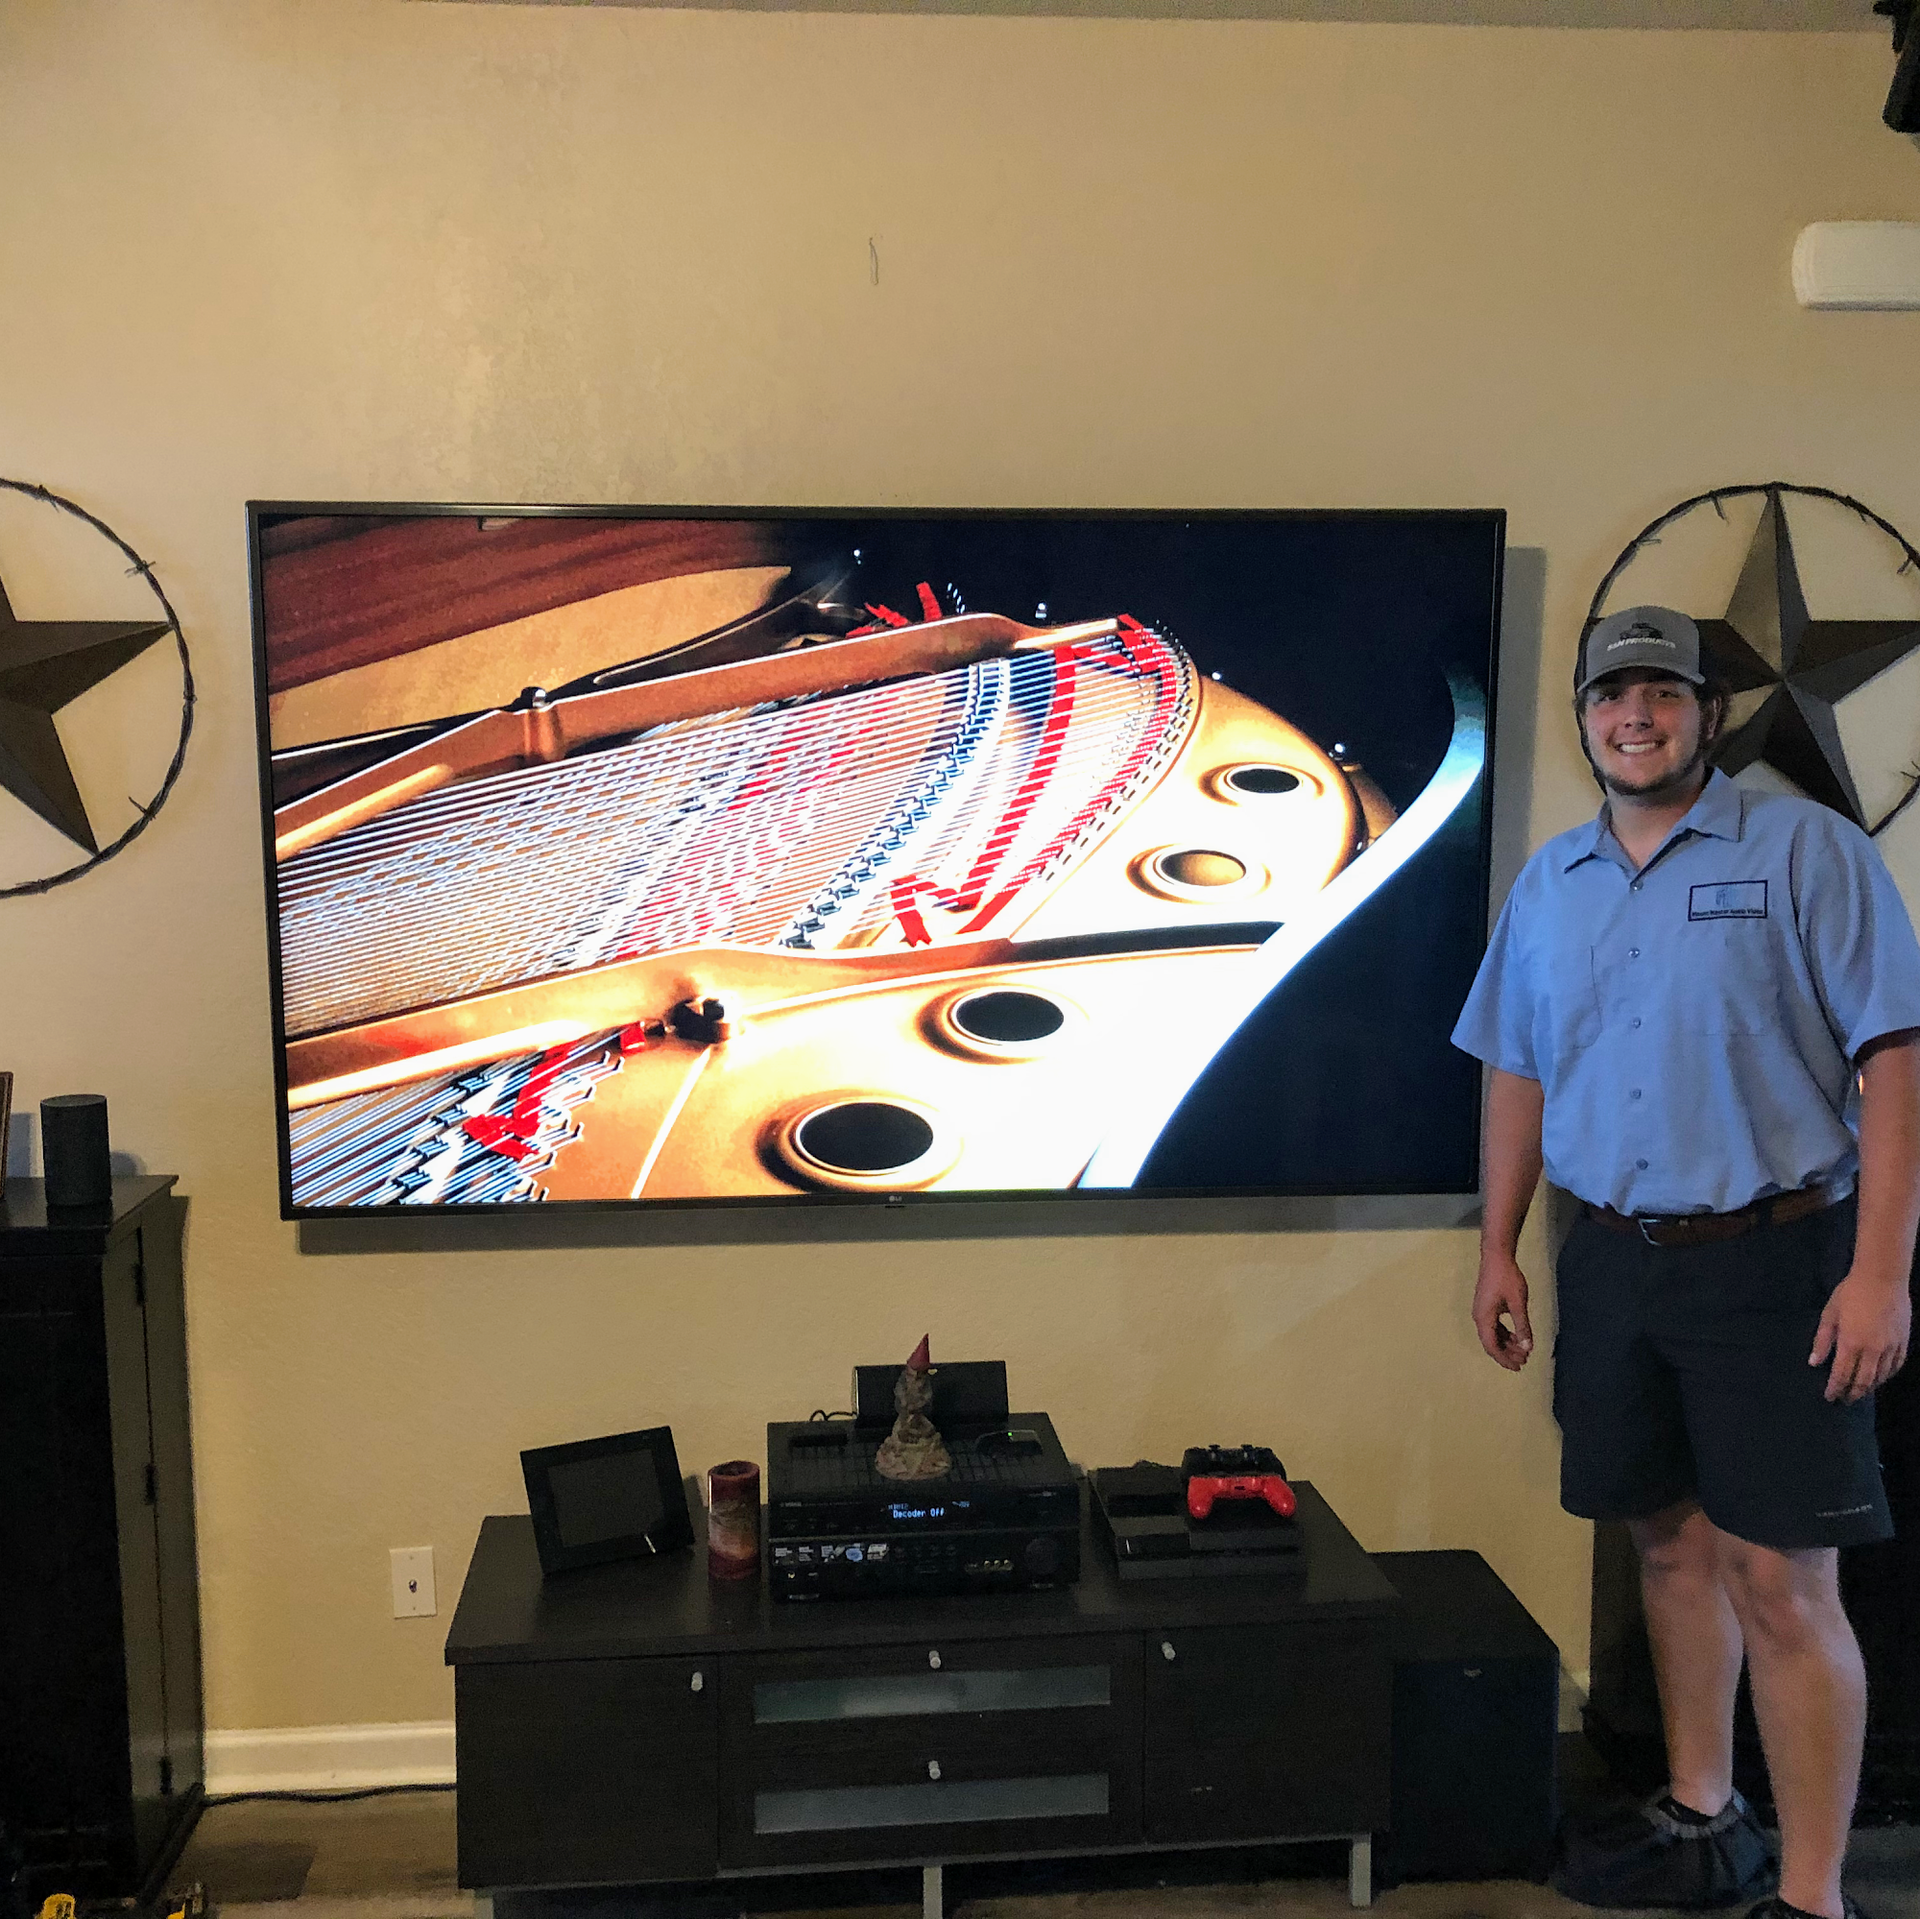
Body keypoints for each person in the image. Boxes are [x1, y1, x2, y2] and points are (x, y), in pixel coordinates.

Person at [1451, 605, 1920, 1919]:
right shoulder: (1553, 881)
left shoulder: (1808, 850)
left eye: (1662, 693)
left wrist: (1881, 1272)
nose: (1634, 716)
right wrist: (1499, 1245)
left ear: (1708, 713)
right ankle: (1704, 1807)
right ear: (1588, 718)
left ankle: (1814, 1893)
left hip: (1778, 1264)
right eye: (1612, 696)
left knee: (1783, 1580)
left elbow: (1896, 1060)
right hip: (1612, 1258)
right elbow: (1516, 1066)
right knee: (1666, 1543)